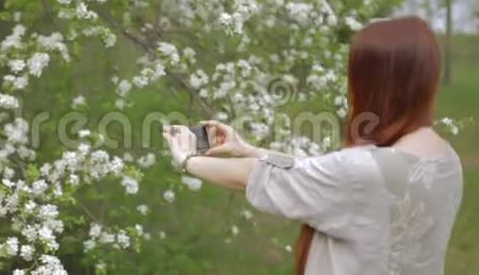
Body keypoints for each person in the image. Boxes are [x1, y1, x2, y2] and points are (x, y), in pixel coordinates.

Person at [162, 16, 463, 275]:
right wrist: (249, 149)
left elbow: (262, 177)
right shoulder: (447, 160)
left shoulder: (362, 171)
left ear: (374, 84)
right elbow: (317, 175)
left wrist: (188, 159)